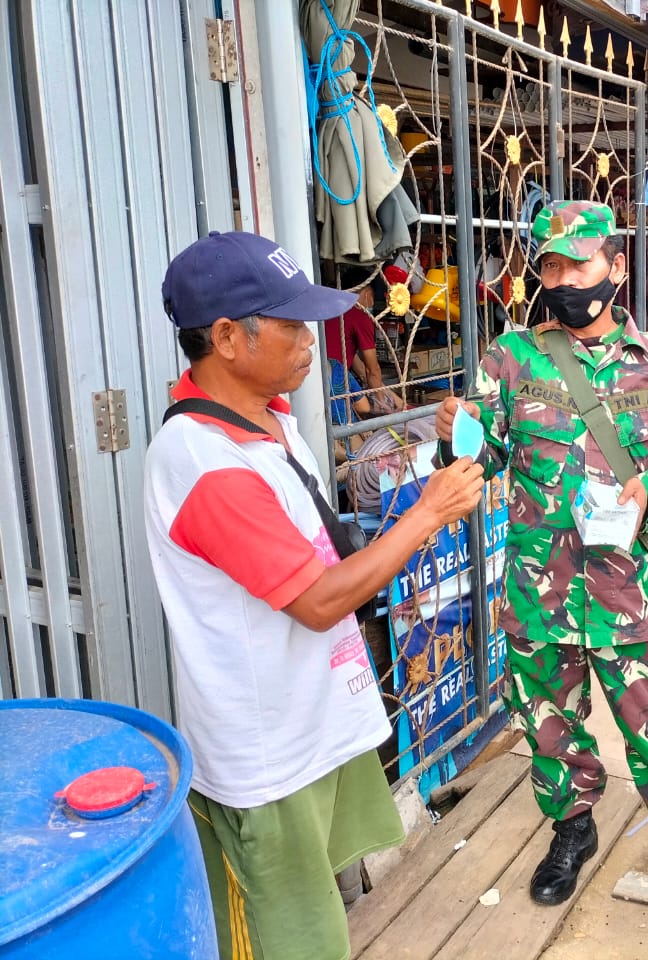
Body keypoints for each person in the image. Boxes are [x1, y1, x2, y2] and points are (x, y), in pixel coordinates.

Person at [144, 231, 485, 960]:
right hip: (267, 753)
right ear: (228, 337)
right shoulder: (205, 460)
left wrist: (441, 450)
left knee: (322, 908)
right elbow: (320, 599)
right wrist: (429, 512)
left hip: (311, 719)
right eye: (293, 324)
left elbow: (319, 540)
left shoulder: (268, 420)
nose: (312, 341)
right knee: (289, 931)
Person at [433, 200, 648, 936]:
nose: (565, 278)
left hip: (625, 591)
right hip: (539, 595)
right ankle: (572, 830)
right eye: (550, 265)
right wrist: (461, 438)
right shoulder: (510, 357)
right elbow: (485, 461)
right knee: (549, 728)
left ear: (615, 265)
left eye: (579, 262)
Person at [325, 284, 403, 419]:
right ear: (367, 293)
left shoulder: (331, 309)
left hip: (319, 373)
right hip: (333, 378)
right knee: (361, 411)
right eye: (373, 297)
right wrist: (381, 402)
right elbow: (372, 370)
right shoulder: (360, 316)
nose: (372, 303)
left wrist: (392, 396)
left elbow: (359, 366)